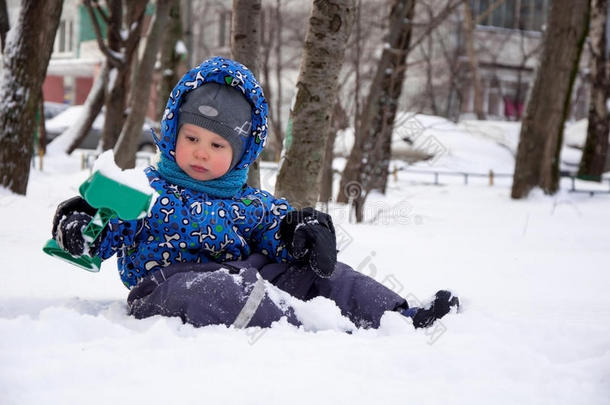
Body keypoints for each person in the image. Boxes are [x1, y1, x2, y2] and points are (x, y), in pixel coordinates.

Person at [52, 56, 459, 330]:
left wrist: (300, 230)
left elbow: (275, 229)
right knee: (223, 290)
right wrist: (81, 220)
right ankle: (309, 331)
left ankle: (398, 319)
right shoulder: (147, 190)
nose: (200, 151)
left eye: (217, 145)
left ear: (241, 153)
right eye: (191, 136)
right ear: (173, 134)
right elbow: (100, 232)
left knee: (326, 276)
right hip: (166, 287)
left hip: (253, 275)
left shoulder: (247, 201)